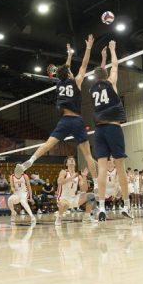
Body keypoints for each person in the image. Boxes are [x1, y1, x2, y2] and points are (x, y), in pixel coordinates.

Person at [17, 36, 99, 181]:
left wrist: (69, 56)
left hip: (65, 120)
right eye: (70, 72)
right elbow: (84, 65)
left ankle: (31, 159)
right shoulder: (77, 82)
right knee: (87, 155)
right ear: (69, 74)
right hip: (77, 121)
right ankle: (98, 183)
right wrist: (88, 48)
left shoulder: (59, 84)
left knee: (48, 144)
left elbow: (65, 71)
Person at [88, 40, 133, 222]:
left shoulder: (93, 88)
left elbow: (102, 72)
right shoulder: (111, 82)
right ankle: (126, 204)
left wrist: (102, 57)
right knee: (120, 167)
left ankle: (101, 207)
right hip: (113, 128)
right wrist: (113, 51)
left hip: (98, 131)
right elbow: (114, 66)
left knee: (101, 170)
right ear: (106, 76)